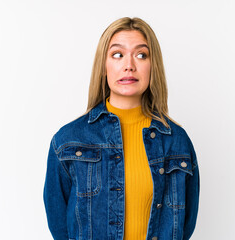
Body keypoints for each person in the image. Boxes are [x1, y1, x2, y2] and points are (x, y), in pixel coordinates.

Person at [43, 17, 200, 240]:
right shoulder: (68, 141)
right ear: (104, 66)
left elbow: (186, 224)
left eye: (141, 55)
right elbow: (60, 227)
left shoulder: (177, 142)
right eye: (117, 54)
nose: (129, 65)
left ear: (152, 66)